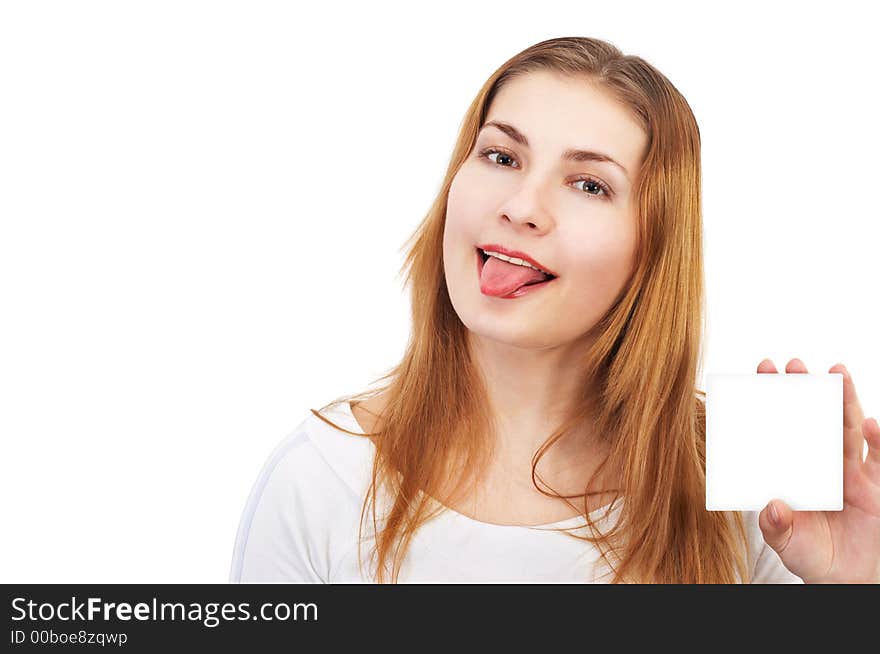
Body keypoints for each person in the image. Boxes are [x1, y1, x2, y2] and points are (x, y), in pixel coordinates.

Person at [230, 36, 880, 583]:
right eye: (501, 156)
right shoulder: (320, 478)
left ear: (654, 247)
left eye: (589, 184)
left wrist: (856, 595)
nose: (521, 206)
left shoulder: (756, 476)